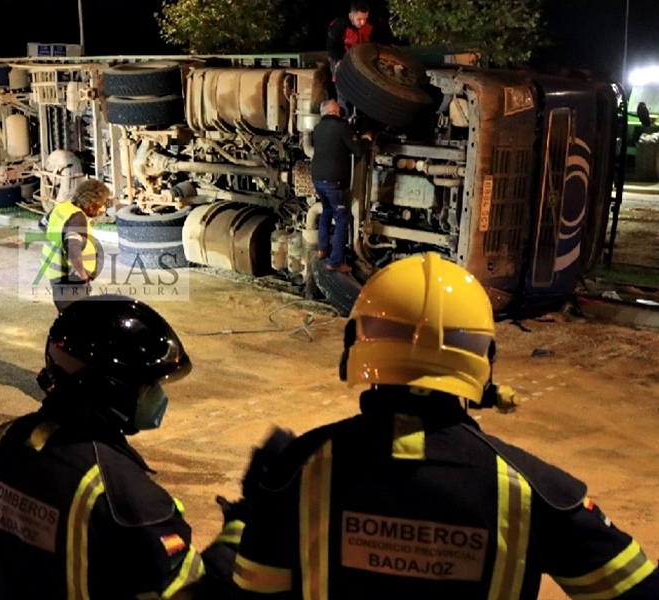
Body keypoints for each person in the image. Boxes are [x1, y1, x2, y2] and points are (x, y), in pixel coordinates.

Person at [231, 252, 659, 600]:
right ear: (482, 360)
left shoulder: (297, 472)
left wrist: (254, 511)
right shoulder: (537, 491)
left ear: (357, 346)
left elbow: (253, 589)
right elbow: (638, 590)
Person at [0, 294, 289, 599]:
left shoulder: (1, 444)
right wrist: (249, 517)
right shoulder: (123, 496)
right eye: (148, 386)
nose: (158, 397)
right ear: (110, 389)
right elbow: (203, 593)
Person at [311, 99, 370, 273]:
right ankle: (334, 262)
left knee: (326, 211)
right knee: (342, 219)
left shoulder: (317, 128)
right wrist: (366, 138)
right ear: (336, 111)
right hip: (334, 182)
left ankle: (322, 250)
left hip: (318, 179)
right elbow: (358, 150)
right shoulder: (342, 127)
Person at [38, 178, 110, 312]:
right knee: (75, 315)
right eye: (99, 205)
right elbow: (72, 250)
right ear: (90, 205)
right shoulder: (77, 219)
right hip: (70, 278)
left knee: (66, 311)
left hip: (54, 270)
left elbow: (42, 224)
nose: (101, 209)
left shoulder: (63, 207)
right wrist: (83, 275)